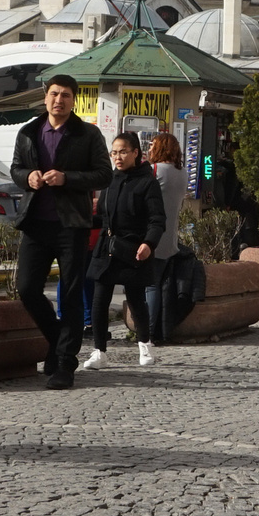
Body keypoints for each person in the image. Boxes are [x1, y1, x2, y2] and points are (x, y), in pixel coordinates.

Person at [10, 75, 112, 388]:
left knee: (70, 293)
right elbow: (15, 169)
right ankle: (57, 340)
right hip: (36, 223)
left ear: (74, 100)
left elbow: (104, 175)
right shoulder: (28, 132)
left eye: (66, 95)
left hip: (72, 225)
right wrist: (28, 177)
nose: (59, 100)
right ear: (45, 97)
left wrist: (67, 178)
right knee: (26, 288)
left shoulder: (88, 133)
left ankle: (65, 364)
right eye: (54, 94)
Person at [82, 134, 169, 371]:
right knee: (99, 301)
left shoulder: (147, 182)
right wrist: (82, 219)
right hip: (106, 247)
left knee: (136, 299)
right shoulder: (109, 180)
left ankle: (144, 344)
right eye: (114, 153)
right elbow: (103, 216)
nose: (117, 157)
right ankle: (99, 351)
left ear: (135, 153)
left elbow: (157, 219)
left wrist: (149, 243)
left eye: (122, 152)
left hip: (133, 248)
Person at [143, 132, 190, 359]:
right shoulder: (182, 173)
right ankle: (161, 330)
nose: (150, 148)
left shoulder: (156, 171)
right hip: (170, 236)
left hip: (152, 236)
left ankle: (148, 333)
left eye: (153, 145)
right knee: (161, 286)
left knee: (150, 286)